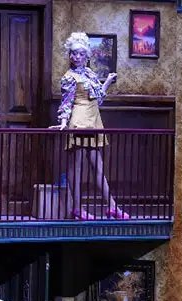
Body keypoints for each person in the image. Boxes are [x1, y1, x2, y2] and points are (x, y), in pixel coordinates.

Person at [54, 32, 130, 221]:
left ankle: (111, 206)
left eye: (81, 54)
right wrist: (63, 122)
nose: (76, 57)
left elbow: (98, 99)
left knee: (98, 167)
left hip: (93, 121)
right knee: (76, 166)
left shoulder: (90, 74)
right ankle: (78, 208)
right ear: (69, 55)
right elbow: (66, 103)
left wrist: (108, 82)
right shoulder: (69, 77)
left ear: (87, 56)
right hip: (79, 122)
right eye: (73, 53)